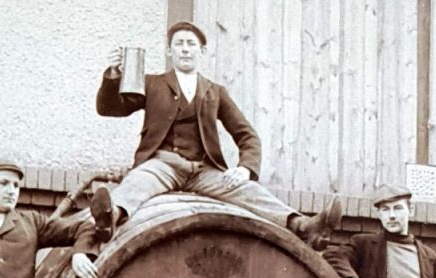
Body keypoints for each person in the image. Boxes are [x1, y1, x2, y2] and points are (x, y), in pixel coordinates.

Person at [87, 21, 342, 247]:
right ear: (169, 51)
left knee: (250, 191)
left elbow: (247, 135)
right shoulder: (152, 83)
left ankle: (303, 226)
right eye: (179, 44)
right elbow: (110, 109)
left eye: (191, 44)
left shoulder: (215, 91)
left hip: (203, 172)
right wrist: (113, 74)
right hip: (162, 165)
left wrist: (244, 169)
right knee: (137, 183)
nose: (185, 49)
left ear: (202, 51)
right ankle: (109, 218)